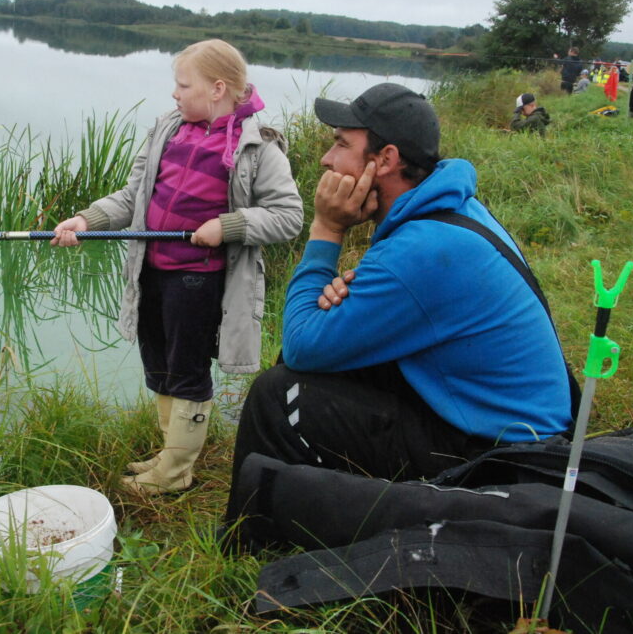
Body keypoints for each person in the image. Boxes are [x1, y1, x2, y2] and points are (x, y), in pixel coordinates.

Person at [223, 83, 574, 527]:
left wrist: (327, 230)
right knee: (329, 361)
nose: (326, 159)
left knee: (279, 393)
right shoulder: (450, 210)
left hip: (501, 458)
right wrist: (338, 313)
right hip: (501, 423)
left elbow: (299, 344)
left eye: (340, 144)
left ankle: (255, 534)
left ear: (384, 160)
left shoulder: (423, 247)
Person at [52, 39, 303, 497]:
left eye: (183, 85)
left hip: (198, 281)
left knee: (186, 373)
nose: (174, 94)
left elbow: (288, 215)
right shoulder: (169, 130)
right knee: (160, 366)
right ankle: (171, 453)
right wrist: (88, 219)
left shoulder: (258, 148)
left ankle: (176, 473)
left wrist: (225, 226)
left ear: (217, 88)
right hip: (152, 272)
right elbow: (132, 197)